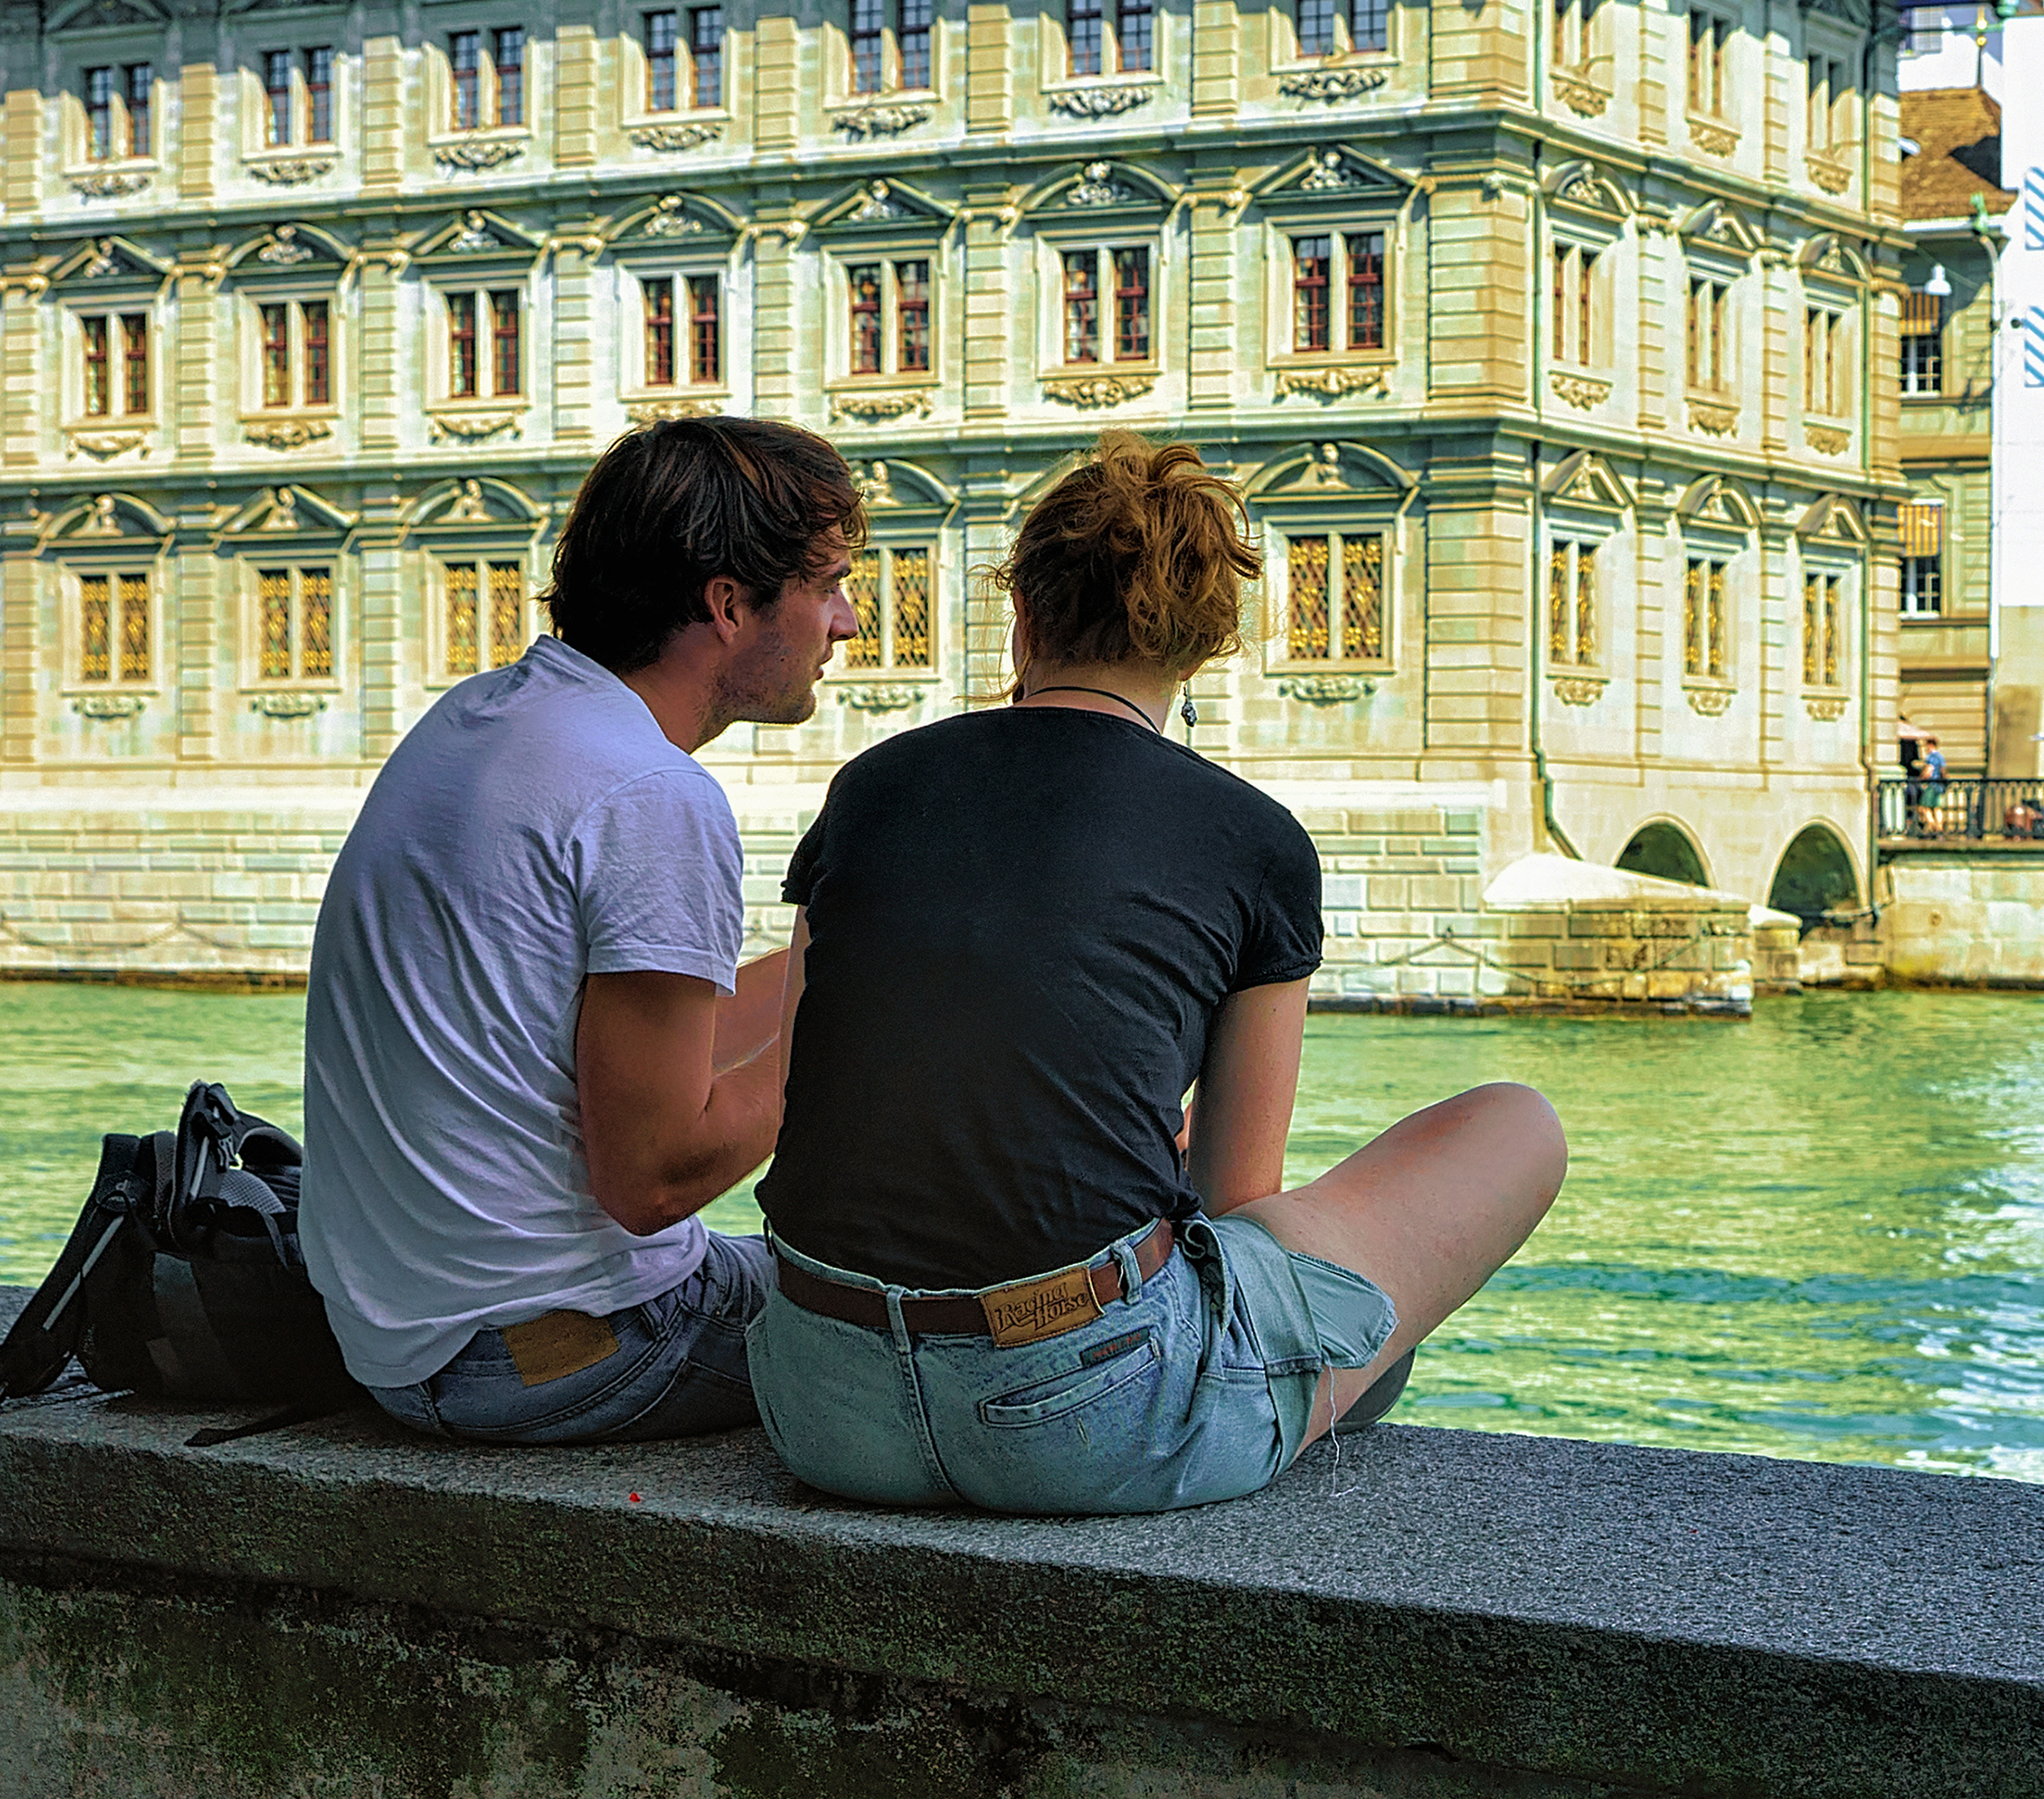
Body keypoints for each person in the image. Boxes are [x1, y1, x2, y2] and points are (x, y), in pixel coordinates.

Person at [747, 433, 1565, 1513]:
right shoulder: (1254, 839)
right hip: (1080, 1421)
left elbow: (821, 1087)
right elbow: (1240, 1199)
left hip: (818, 1402)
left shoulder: (870, 788)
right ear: (1200, 649)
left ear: (1023, 614)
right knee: (1515, 1124)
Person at [298, 416, 863, 1446]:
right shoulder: (652, 792)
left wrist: (866, 964)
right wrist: (853, 1046)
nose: (849, 621)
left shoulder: (481, 717)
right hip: (554, 1353)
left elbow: (637, 1039)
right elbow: (651, 1179)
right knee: (931, 1339)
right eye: (825, 585)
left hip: (398, 1336)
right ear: (729, 605)